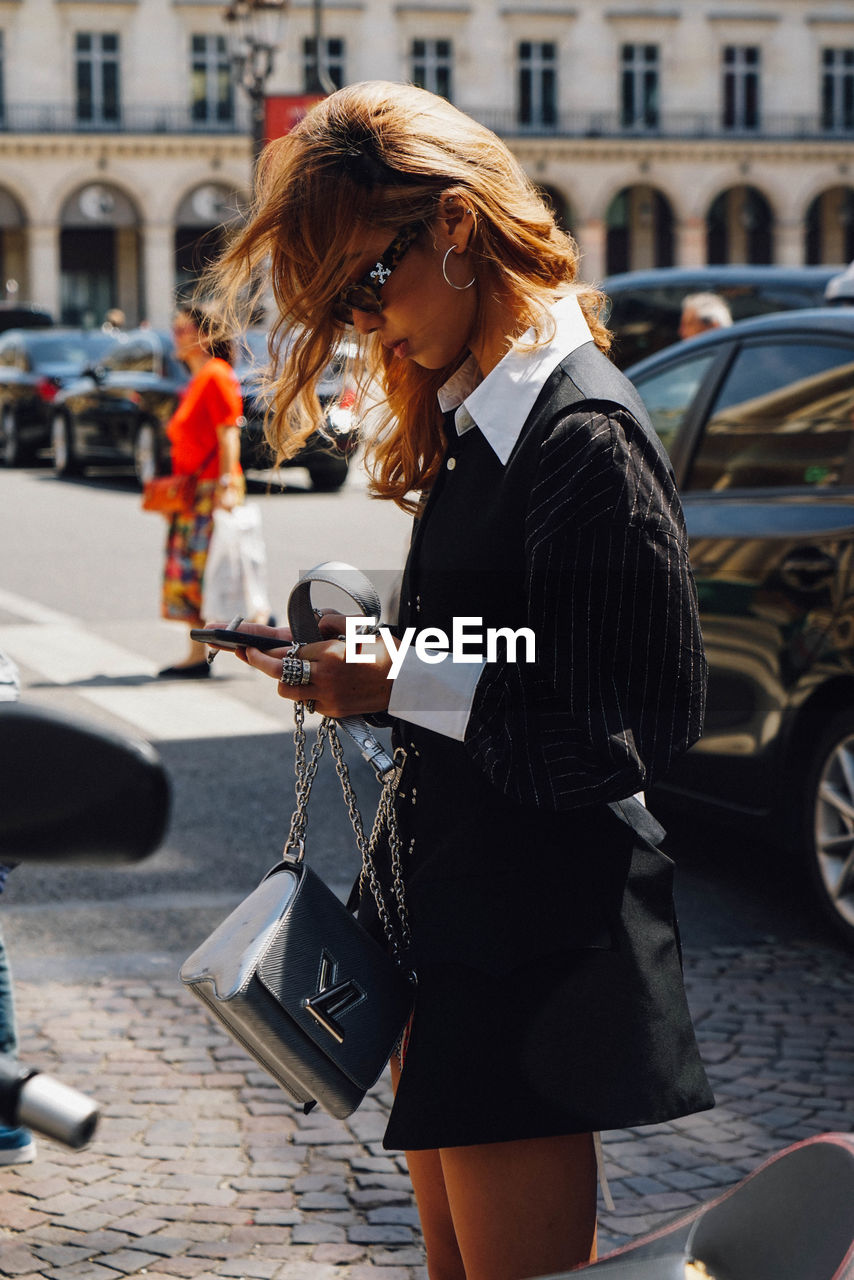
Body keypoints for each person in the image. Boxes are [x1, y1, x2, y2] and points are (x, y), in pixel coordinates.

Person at [209, 82, 714, 1279]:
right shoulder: (484, 417)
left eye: (365, 283)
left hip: (530, 948)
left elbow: (618, 725)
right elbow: (514, 643)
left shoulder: (579, 431)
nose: (362, 325)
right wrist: (364, 651)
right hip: (459, 926)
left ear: (451, 223)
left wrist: (394, 681)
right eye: (340, 305)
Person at [158, 306, 245, 678]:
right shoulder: (197, 380)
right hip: (193, 492)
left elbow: (229, 431)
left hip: (210, 489)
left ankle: (200, 653)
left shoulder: (215, 375)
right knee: (194, 572)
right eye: (175, 329)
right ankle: (196, 651)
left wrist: (227, 484)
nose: (176, 335)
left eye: (184, 329)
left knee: (202, 572)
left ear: (205, 334)